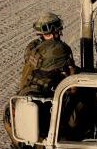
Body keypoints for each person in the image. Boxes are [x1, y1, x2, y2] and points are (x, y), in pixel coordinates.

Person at [5, 12, 80, 145]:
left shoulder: (32, 46)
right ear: (55, 30)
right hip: (41, 101)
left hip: (21, 98)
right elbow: (72, 76)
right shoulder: (60, 48)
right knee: (77, 113)